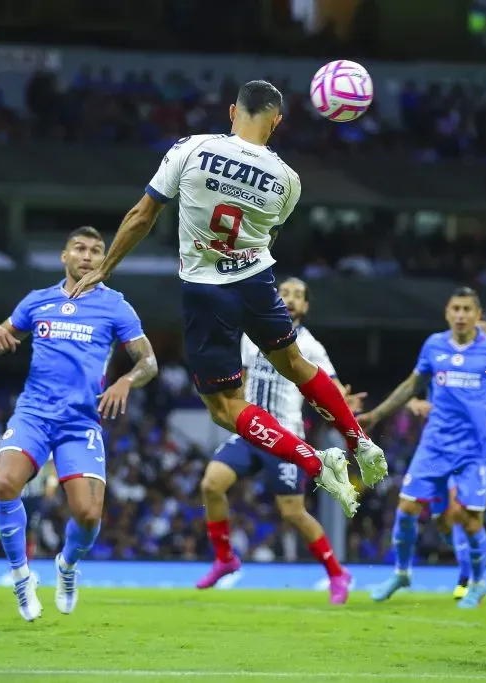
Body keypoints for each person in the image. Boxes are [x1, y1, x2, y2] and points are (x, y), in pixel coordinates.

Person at [67, 79, 386, 517]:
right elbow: (265, 235)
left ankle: (313, 460)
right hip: (256, 282)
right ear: (276, 122)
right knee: (297, 364)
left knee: (224, 408)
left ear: (233, 112)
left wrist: (106, 267)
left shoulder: (191, 149)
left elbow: (143, 214)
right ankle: (359, 441)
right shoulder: (288, 181)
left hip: (205, 292)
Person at [0, 226, 158, 621]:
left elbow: (148, 362)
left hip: (80, 423)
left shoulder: (116, 306)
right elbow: (1, 333)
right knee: (6, 482)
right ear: (64, 256)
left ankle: (66, 566)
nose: (87, 256)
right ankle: (21, 577)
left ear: (104, 261)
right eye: (79, 248)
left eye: (96, 251)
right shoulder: (37, 301)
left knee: (88, 515)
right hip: (33, 414)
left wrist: (125, 381)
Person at [196, 277, 366, 603]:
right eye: (284, 292)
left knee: (292, 512)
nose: (290, 299)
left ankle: (337, 572)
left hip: (285, 438)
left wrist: (344, 399)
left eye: (298, 295)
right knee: (210, 485)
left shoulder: (311, 347)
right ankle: (225, 559)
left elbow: (331, 384)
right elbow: (240, 382)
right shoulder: (252, 334)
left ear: (305, 307)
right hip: (250, 431)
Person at [359, 288, 486, 608]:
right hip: (434, 446)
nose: (460, 315)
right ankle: (402, 573)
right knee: (406, 511)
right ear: (446, 312)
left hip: (474, 450)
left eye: (466, 309)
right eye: (455, 308)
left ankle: (476, 581)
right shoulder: (434, 345)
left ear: (477, 314)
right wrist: (377, 414)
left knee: (471, 522)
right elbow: (410, 386)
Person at [406, 317, 486, 600]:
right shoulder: (442, 363)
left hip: (472, 451)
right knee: (442, 519)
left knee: (461, 512)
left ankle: (469, 577)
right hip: (437, 449)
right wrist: (417, 405)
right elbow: (412, 395)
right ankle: (467, 567)